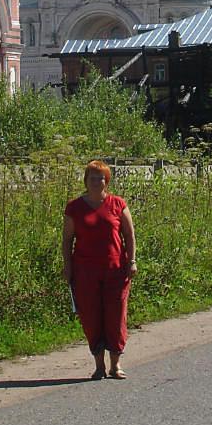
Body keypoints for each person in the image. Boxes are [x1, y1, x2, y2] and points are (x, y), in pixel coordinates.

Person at [62, 159, 136, 380]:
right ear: (86, 181)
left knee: (115, 315)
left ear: (107, 181)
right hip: (85, 271)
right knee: (91, 317)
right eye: (92, 178)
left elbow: (129, 236)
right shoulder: (74, 207)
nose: (96, 182)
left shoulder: (118, 204)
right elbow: (67, 240)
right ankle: (99, 365)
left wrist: (132, 261)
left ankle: (115, 364)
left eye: (101, 178)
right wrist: (67, 267)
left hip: (116, 270)